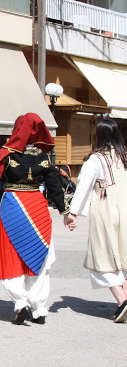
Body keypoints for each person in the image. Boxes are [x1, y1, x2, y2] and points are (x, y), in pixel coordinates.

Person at [0, 113, 73, 325]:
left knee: (11, 255)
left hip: (13, 207)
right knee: (39, 257)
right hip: (37, 208)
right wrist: (66, 214)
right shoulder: (43, 156)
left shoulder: (7, 154)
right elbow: (55, 188)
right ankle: (39, 308)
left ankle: (20, 303)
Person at [68, 118, 127, 323]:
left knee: (103, 255)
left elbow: (83, 186)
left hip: (106, 209)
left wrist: (72, 213)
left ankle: (122, 300)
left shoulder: (96, 159)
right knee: (124, 255)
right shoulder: (124, 156)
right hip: (126, 209)